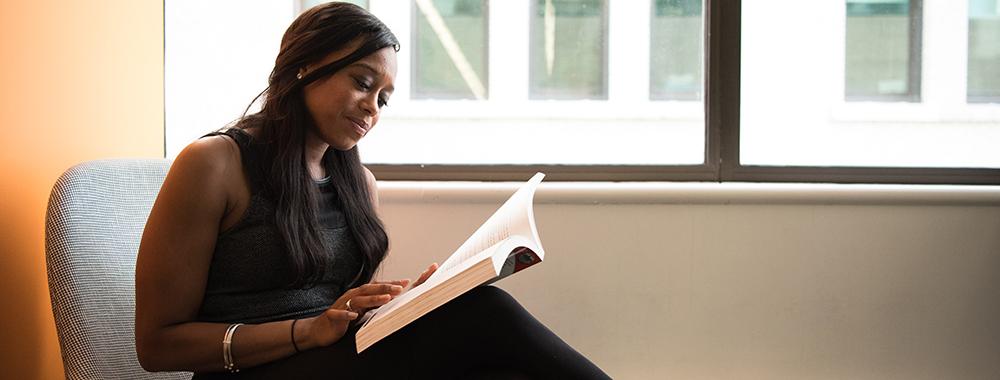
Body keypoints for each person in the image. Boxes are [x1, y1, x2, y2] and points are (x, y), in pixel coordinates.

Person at [135, 2, 609, 379]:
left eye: (383, 98)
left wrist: (405, 307)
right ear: (305, 66)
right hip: (251, 370)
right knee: (484, 312)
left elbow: (344, 315)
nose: (372, 108)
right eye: (362, 83)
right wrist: (307, 331)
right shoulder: (214, 163)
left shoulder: (358, 183)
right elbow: (157, 345)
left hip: (330, 362)